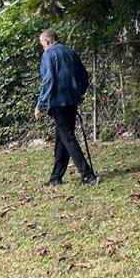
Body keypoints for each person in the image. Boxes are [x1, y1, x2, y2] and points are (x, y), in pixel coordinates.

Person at [34, 29, 98, 186]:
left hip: (58, 102)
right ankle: (56, 177)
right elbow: (84, 77)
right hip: (72, 101)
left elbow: (48, 80)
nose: (43, 47)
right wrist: (78, 93)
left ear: (47, 41)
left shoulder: (48, 54)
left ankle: (88, 175)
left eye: (42, 44)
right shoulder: (70, 52)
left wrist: (40, 104)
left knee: (68, 138)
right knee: (61, 139)